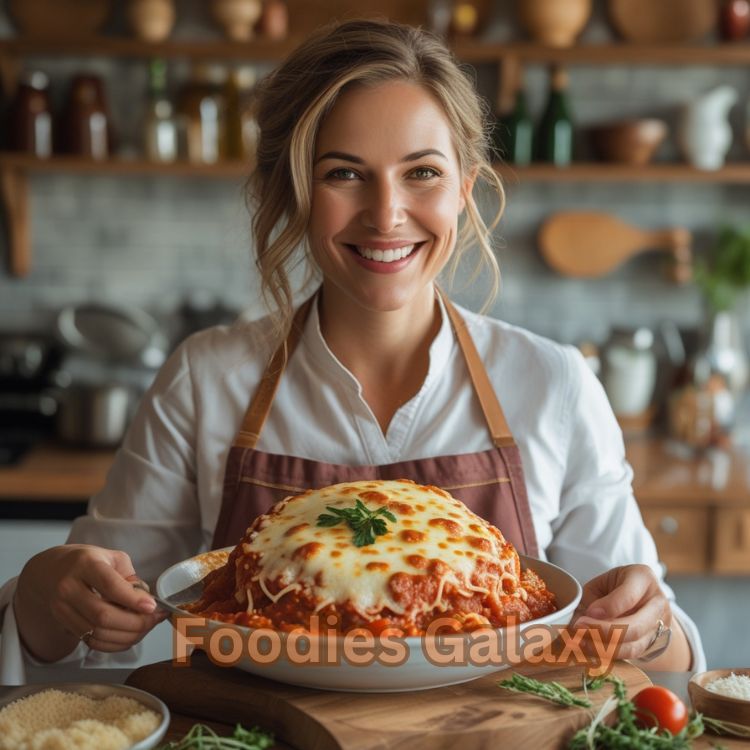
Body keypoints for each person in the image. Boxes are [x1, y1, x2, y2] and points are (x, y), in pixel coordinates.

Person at [1, 19, 703, 682]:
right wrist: (45, 592)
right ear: (295, 191)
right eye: (343, 173)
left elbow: (666, 658)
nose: (386, 213)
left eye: (421, 172)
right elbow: (74, 642)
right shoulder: (207, 378)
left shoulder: (554, 383)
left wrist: (649, 626)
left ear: (466, 185)